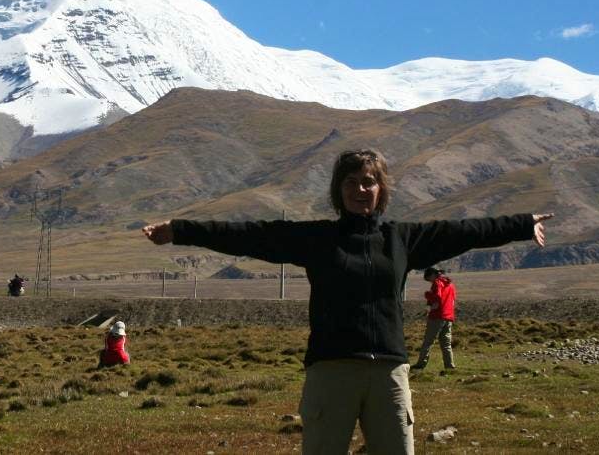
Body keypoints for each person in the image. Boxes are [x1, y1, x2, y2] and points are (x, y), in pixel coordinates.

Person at [142, 149, 552, 455]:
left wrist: (520, 224)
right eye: (352, 182)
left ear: (381, 189)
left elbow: (465, 231)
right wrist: (179, 231)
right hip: (331, 369)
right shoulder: (318, 239)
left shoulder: (402, 239)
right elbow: (248, 234)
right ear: (339, 190)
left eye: (369, 181)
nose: (361, 189)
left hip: (389, 371)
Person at [412, 266, 455, 371]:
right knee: (446, 344)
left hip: (437, 317)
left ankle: (421, 364)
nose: (429, 281)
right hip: (448, 316)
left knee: (428, 342)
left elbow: (437, 297)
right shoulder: (450, 284)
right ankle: (450, 366)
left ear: (432, 275)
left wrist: (427, 295)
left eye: (428, 278)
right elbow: (452, 300)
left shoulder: (437, 283)